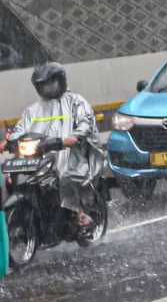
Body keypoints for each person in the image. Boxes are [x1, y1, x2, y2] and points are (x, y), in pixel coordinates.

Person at [12, 63, 104, 229]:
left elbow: (86, 122)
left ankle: (79, 212)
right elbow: (20, 128)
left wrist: (74, 137)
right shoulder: (34, 109)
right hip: (42, 153)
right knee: (13, 172)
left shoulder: (76, 102)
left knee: (63, 172)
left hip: (73, 152)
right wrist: (9, 141)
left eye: (50, 83)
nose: (47, 88)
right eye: (42, 85)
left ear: (60, 81)